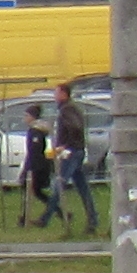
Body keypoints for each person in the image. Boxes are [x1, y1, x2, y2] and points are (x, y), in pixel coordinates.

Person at [56, 89, 101, 234]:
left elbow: (75, 127)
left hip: (72, 152)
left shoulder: (67, 109)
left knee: (60, 182)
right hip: (76, 150)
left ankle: (47, 215)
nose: (54, 96)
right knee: (82, 187)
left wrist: (66, 144)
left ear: (64, 94)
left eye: (56, 93)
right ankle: (92, 219)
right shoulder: (69, 108)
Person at [16, 103, 54, 229]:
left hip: (36, 166)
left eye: (27, 115)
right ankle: (59, 210)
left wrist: (28, 169)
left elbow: (34, 152)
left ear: (33, 117)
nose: (25, 118)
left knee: (29, 190)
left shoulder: (35, 131)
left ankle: (24, 219)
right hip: (36, 165)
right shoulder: (35, 130)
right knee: (36, 192)